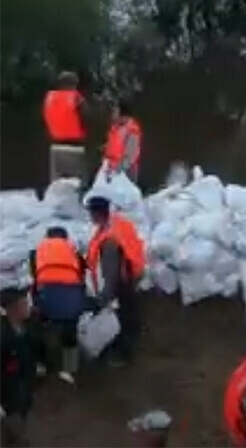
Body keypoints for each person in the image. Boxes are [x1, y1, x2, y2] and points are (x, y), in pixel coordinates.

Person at [85, 196, 146, 366]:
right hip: (131, 277)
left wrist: (104, 299)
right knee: (130, 316)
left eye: (91, 212)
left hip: (121, 284)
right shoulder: (117, 225)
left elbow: (110, 275)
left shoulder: (109, 242)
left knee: (122, 320)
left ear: (97, 214)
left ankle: (124, 357)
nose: (90, 217)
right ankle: (128, 349)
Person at [28, 226, 86, 384]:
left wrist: (36, 301)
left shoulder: (37, 251)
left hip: (47, 294)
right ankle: (70, 368)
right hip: (71, 295)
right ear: (65, 239)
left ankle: (41, 364)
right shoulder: (74, 251)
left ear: (47, 238)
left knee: (36, 326)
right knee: (70, 327)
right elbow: (81, 275)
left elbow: (35, 276)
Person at [1, 287, 37, 448]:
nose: (28, 306)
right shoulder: (3, 338)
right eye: (24, 303)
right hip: (7, 402)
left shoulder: (26, 330)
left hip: (22, 396)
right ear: (12, 309)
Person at [43, 71, 88, 184]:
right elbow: (87, 116)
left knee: (58, 175)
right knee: (77, 176)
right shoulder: (76, 97)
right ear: (74, 84)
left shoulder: (50, 97)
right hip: (75, 142)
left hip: (55, 141)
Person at [104, 99, 142, 184]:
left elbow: (131, 156)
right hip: (111, 171)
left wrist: (118, 170)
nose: (113, 113)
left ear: (123, 113)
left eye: (115, 110)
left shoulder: (132, 130)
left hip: (124, 174)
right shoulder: (115, 127)